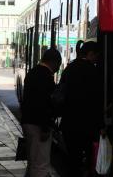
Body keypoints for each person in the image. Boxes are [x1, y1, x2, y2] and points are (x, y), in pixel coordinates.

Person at [59, 41, 103, 177]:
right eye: (96, 56)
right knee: (88, 160)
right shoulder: (94, 71)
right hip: (87, 126)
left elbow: (61, 92)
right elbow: (98, 99)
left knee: (73, 159)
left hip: (69, 124)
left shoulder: (69, 69)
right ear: (90, 54)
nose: (97, 59)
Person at [21, 48, 62, 177]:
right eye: (58, 65)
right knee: (40, 163)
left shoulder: (33, 72)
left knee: (33, 161)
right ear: (54, 62)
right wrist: (45, 127)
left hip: (28, 121)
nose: (58, 69)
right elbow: (43, 104)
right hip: (38, 125)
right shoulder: (45, 76)